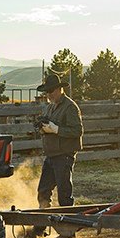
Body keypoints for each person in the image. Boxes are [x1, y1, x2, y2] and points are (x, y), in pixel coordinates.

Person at [35, 73, 83, 210]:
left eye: (50, 91)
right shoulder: (50, 107)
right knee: (43, 191)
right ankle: (43, 220)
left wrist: (56, 130)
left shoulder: (70, 107)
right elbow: (45, 125)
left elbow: (77, 131)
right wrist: (42, 128)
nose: (48, 95)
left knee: (64, 194)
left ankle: (68, 222)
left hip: (64, 155)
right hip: (52, 154)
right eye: (46, 92)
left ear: (59, 89)